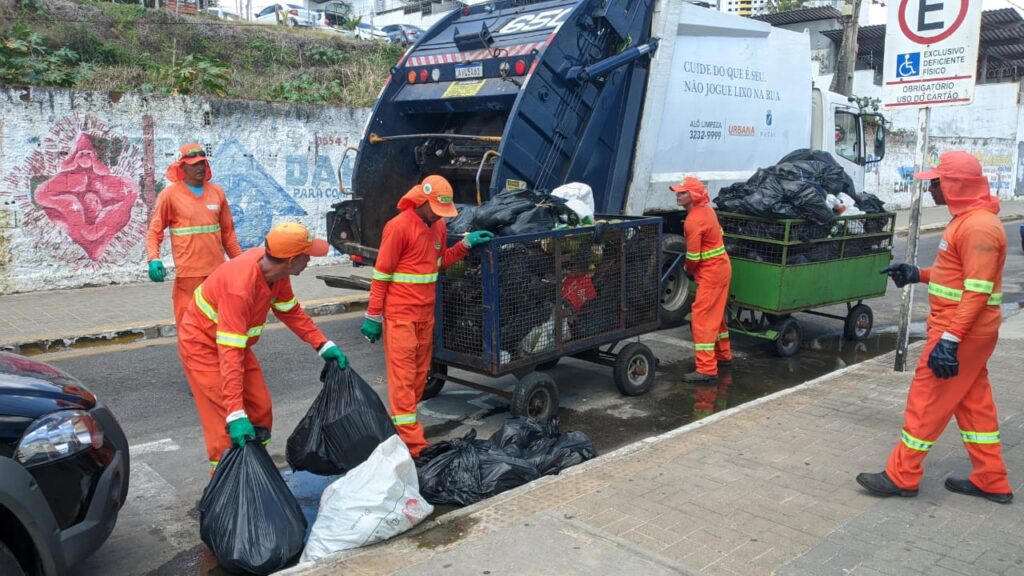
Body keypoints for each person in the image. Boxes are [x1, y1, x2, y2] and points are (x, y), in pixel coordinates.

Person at [858, 151, 1012, 504]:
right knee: (974, 405)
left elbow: (977, 291)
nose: (930, 189)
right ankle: (991, 479)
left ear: (954, 185)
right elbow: (956, 277)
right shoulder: (969, 221)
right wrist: (917, 274)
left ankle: (902, 476)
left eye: (936, 182)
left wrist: (950, 341)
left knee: (926, 401)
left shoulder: (977, 227)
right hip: (966, 332)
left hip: (960, 332)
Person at [178, 222, 347, 469]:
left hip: (234, 343)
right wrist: (235, 413)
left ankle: (254, 469)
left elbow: (289, 310)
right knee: (226, 424)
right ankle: (227, 489)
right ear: (291, 260)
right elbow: (230, 352)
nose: (309, 261)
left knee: (259, 408)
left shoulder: (277, 275)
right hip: (202, 346)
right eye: (306, 256)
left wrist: (322, 345)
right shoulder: (239, 287)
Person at [360, 176, 494, 457]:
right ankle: (415, 447)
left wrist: (466, 245)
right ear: (421, 201)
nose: (438, 216)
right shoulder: (398, 227)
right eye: (435, 210)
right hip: (400, 317)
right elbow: (381, 275)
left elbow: (438, 262)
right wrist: (373, 316)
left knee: (419, 378)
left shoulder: (439, 227)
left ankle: (399, 432)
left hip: (424, 316)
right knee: (403, 380)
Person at [146, 143, 243, 326]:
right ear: (182, 166)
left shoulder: (217, 193)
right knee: (189, 325)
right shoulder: (170, 195)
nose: (200, 167)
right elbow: (155, 231)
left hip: (217, 273)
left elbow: (228, 235)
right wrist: (154, 259)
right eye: (194, 164)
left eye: (202, 163)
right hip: (188, 275)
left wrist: (242, 264)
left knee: (220, 325)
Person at [671, 176, 733, 382]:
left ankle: (706, 369)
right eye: (678, 192)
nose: (678, 196)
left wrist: (688, 270)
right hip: (721, 267)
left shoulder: (693, 221)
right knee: (715, 314)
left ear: (694, 195)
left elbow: (693, 257)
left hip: (711, 272)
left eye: (683, 193)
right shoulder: (708, 211)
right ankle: (723, 355)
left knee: (702, 318)